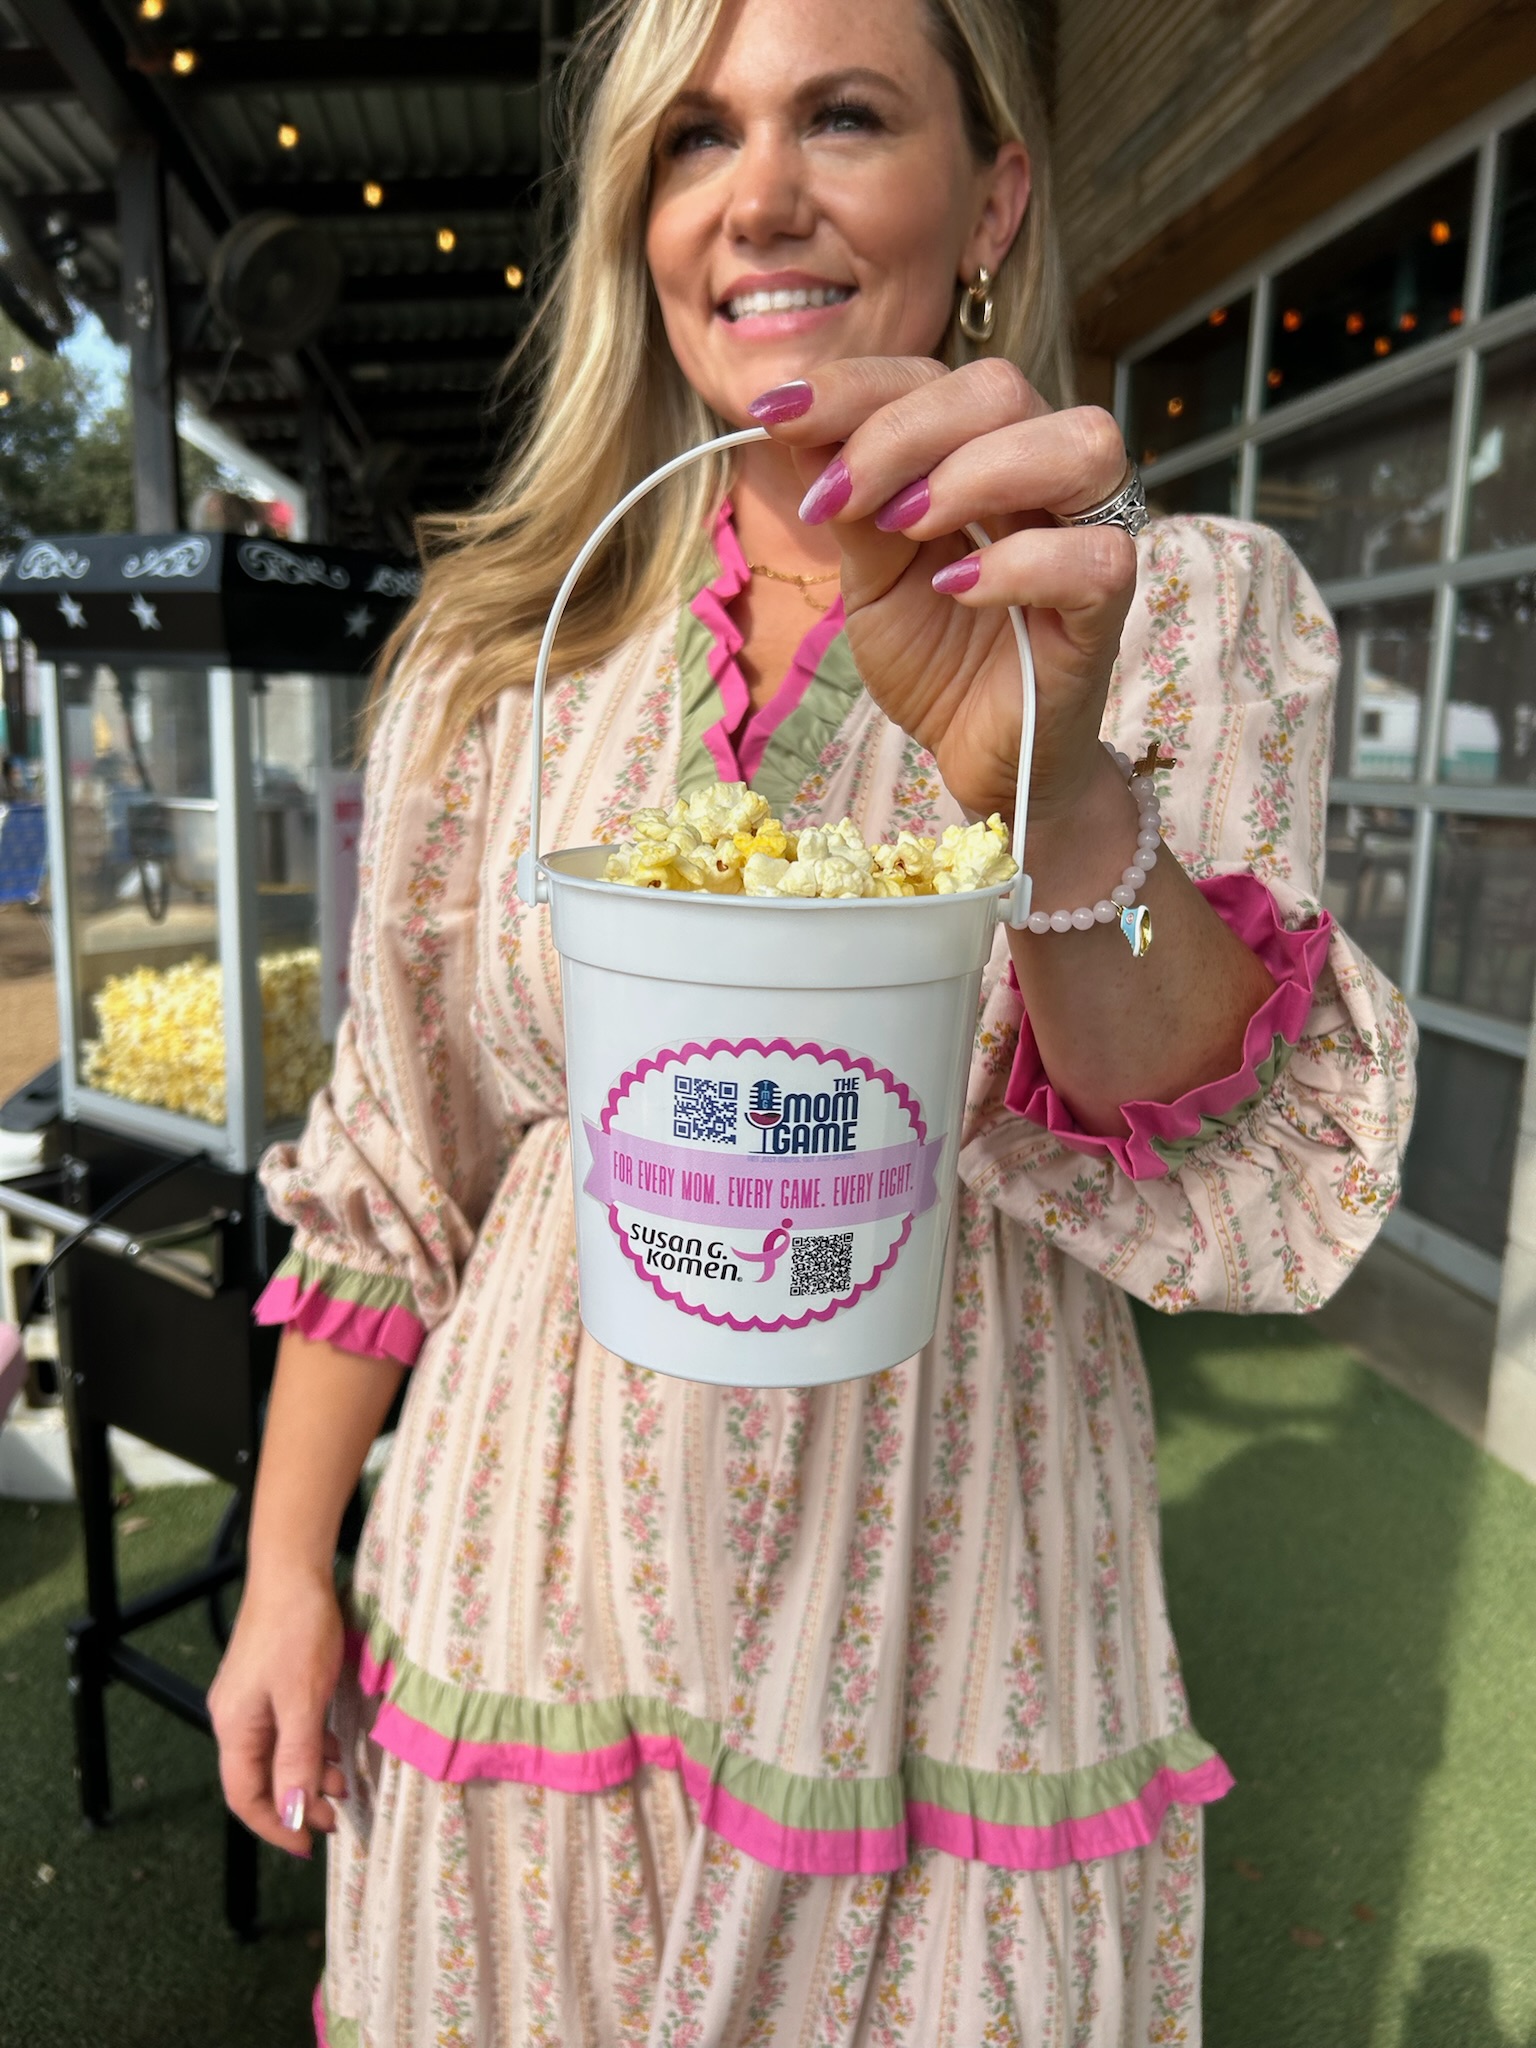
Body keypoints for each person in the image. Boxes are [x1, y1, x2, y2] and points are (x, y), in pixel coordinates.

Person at [209, 0, 1416, 2039]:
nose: (756, 193)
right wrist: (281, 1569)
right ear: (638, 222)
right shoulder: (502, 659)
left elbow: (1239, 1175)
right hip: (535, 1557)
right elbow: (401, 1165)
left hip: (956, 1590)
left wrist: (1052, 779)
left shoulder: (1183, 618)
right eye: (691, 137)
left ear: (993, 192)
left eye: (843, 116)